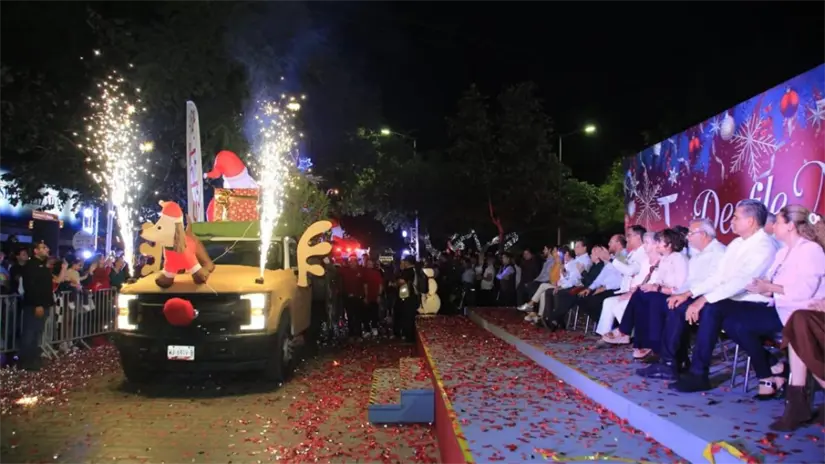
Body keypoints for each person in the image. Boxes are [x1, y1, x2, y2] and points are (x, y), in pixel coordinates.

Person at [653, 200, 778, 392]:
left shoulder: (765, 246)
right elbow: (719, 277)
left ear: (751, 221)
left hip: (755, 304)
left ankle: (698, 373)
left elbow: (742, 281)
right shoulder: (736, 244)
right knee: (692, 307)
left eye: (736, 217)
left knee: (711, 309)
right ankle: (677, 365)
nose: (731, 221)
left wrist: (703, 299)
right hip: (733, 301)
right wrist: (689, 294)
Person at [742, 205, 825, 399]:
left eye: (777, 222)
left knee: (742, 323)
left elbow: (804, 291)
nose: (772, 226)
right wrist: (763, 287)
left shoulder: (811, 250)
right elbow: (774, 286)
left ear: (790, 226)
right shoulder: (782, 253)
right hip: (784, 310)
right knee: (733, 317)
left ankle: (786, 384)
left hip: (805, 313)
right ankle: (793, 396)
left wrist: (770, 288)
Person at [629, 219, 725, 360]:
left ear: (703, 234)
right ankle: (656, 350)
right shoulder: (698, 254)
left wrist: (683, 294)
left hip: (707, 299)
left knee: (665, 303)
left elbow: (715, 282)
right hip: (690, 294)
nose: (688, 237)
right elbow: (688, 282)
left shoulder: (718, 252)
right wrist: (679, 294)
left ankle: (668, 359)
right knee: (646, 296)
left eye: (691, 233)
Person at [19, 242, 62, 370]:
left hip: (44, 304)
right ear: (36, 251)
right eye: (43, 248)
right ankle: (26, 361)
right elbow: (31, 287)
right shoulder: (31, 266)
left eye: (46, 247)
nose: (47, 249)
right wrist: (37, 304)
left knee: (37, 333)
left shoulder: (43, 266)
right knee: (30, 333)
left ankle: (33, 359)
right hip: (35, 306)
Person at [395, 256, 421, 342]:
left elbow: (401, 281)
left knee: (407, 317)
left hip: (408, 297)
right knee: (410, 317)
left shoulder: (408, 271)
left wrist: (395, 282)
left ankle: (408, 337)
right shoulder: (416, 270)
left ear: (407, 262)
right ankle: (410, 336)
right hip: (413, 297)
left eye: (404, 262)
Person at [339, 257, 366, 340]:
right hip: (348, 298)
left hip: (358, 298)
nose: (352, 263)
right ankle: (351, 334)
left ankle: (358, 334)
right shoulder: (344, 271)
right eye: (351, 262)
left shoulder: (361, 271)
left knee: (358, 316)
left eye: (354, 261)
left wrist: (364, 295)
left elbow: (364, 284)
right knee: (350, 317)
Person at [363, 258, 384, 337]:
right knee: (366, 314)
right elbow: (364, 285)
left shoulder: (377, 273)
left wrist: (379, 295)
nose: (369, 265)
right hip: (367, 296)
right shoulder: (364, 273)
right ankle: (367, 329)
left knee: (374, 313)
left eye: (371, 263)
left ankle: (374, 328)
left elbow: (380, 285)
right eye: (368, 263)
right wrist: (365, 296)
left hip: (375, 296)